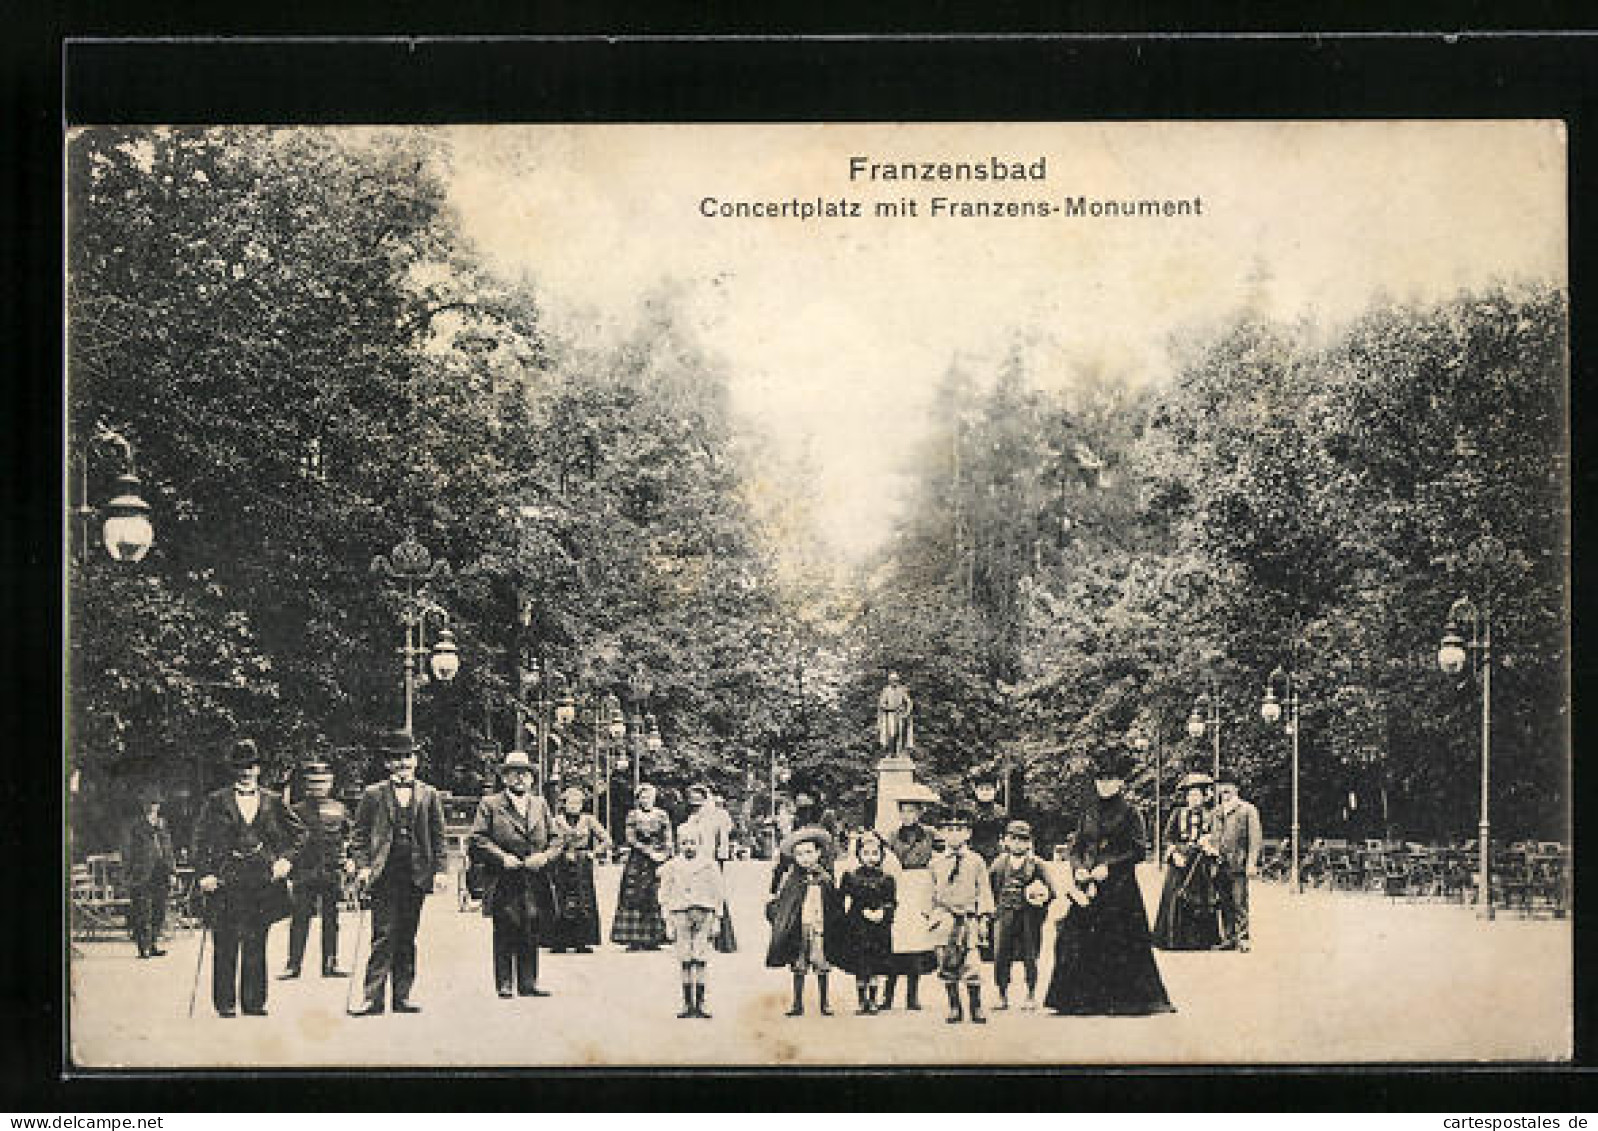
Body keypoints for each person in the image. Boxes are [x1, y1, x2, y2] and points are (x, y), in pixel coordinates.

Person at [1043, 749, 1175, 1017]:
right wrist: (1079, 868)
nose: (1104, 785)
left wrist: (1109, 866)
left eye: (1110, 780)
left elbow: (1138, 849)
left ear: (1120, 783)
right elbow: (1077, 846)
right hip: (1087, 888)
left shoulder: (1130, 813)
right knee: (1077, 939)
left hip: (1120, 890)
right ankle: (1082, 1000)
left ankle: (1122, 1001)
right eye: (1100, 780)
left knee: (1119, 942)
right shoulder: (1088, 812)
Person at [192, 739, 306, 1018]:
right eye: (241, 767)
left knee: (256, 941)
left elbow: (300, 835)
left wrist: (286, 860)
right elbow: (199, 840)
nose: (246, 772)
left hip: (261, 882)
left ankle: (254, 1002)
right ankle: (226, 1003)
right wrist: (204, 873)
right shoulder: (216, 801)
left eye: (251, 766)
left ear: (259, 769)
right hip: (225, 881)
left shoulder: (273, 800)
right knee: (226, 941)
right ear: (234, 770)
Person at [349, 729, 449, 1016]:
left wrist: (440, 870)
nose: (403, 763)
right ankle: (373, 998)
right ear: (388, 764)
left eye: (407, 757)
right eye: (397, 759)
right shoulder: (373, 794)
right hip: (384, 874)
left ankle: (402, 996)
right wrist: (364, 866)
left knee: (407, 936)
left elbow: (438, 836)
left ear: (415, 761)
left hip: (415, 875)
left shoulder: (429, 795)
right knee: (383, 934)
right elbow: (359, 835)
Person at [469, 750, 560, 998]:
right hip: (503, 877)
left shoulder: (540, 804)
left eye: (525, 774)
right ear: (505, 777)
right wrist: (501, 858)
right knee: (506, 927)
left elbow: (556, 839)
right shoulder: (490, 804)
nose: (520, 778)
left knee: (532, 925)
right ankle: (505, 983)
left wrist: (544, 857)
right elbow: (478, 837)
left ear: (532, 778)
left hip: (534, 876)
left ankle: (529, 982)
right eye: (514, 773)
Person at [281, 761, 352, 979]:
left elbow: (349, 836)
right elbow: (288, 840)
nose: (318, 787)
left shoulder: (339, 809)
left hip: (331, 872)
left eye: (323, 782)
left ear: (330, 783)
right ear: (306, 786)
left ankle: (330, 963)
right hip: (305, 872)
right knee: (300, 918)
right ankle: (293, 965)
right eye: (313, 783)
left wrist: (349, 860)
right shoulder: (296, 810)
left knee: (332, 920)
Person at [765, 826, 844, 1017]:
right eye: (799, 854)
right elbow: (780, 902)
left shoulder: (825, 877)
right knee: (798, 964)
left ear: (818, 853)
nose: (805, 858)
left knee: (821, 962)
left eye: (809, 852)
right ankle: (797, 1003)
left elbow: (834, 903)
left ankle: (824, 1002)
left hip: (820, 926)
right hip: (798, 927)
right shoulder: (791, 879)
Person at [928, 808, 996, 1024]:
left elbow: (984, 891)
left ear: (968, 834)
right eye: (949, 830)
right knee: (947, 963)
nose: (954, 834)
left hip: (968, 918)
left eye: (960, 830)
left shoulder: (976, 861)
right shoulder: (935, 863)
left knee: (972, 964)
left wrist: (984, 917)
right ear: (942, 834)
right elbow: (928, 893)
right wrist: (931, 916)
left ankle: (976, 1006)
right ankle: (954, 1006)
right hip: (945, 917)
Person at [880, 782, 939, 1011]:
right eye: (903, 811)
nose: (907, 816)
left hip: (922, 886)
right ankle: (888, 996)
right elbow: (885, 860)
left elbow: (940, 858)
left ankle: (912, 997)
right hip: (899, 885)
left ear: (920, 813)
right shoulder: (892, 836)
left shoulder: (931, 834)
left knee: (917, 941)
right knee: (896, 940)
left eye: (912, 811)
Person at [658, 825, 726, 1019]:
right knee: (685, 959)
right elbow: (664, 893)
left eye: (692, 843)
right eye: (684, 843)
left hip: (703, 913)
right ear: (679, 845)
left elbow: (718, 892)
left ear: (699, 844)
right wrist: (667, 920)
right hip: (680, 913)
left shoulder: (709, 865)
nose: (688, 847)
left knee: (701, 958)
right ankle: (687, 1003)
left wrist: (717, 918)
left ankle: (701, 1003)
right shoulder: (672, 866)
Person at [988, 819, 1056, 1010]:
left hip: (1029, 916)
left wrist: (1038, 900)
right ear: (1006, 841)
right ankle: (1001, 994)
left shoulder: (1037, 865)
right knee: (1001, 955)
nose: (1018, 844)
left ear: (1029, 842)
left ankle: (1031, 994)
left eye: (1023, 840)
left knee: (1030, 954)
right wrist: (993, 911)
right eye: (1014, 839)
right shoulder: (999, 864)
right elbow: (990, 889)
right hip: (1004, 914)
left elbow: (1052, 892)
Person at [1151, 775, 1222, 952]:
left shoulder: (1210, 815)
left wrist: (1209, 844)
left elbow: (1217, 837)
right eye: (1191, 795)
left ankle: (1201, 941)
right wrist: (1174, 853)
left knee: (1201, 898)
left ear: (1204, 796)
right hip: (1180, 862)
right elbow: (1167, 838)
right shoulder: (1177, 814)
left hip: (1199, 863)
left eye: (1198, 795)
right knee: (1176, 896)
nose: (1194, 799)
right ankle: (1173, 940)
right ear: (1186, 797)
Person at [836, 829, 896, 1014]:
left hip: (878, 927)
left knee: (876, 963)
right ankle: (862, 1000)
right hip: (858, 926)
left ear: (881, 855)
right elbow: (841, 899)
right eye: (866, 853)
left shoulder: (887, 879)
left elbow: (892, 902)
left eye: (875, 853)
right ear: (859, 854)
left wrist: (883, 912)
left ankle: (873, 999)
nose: (871, 857)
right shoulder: (851, 877)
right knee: (861, 964)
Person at [546, 785, 610, 954]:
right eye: (570, 802)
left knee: (584, 900)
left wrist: (593, 853)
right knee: (560, 899)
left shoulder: (589, 820)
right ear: (564, 804)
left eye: (578, 802)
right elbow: (547, 840)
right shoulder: (555, 821)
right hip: (561, 863)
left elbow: (607, 840)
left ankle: (582, 941)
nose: (574, 805)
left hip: (582, 864)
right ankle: (559, 942)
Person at [611, 782, 673, 951]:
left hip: (657, 860)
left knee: (654, 896)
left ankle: (654, 938)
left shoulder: (662, 815)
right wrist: (648, 851)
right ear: (638, 799)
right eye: (643, 797)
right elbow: (630, 838)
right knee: (634, 895)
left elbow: (668, 837)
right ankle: (634, 939)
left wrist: (664, 854)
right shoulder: (633, 815)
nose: (647, 800)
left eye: (650, 797)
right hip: (638, 861)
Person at [682, 783, 737, 953]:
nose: (697, 805)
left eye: (700, 800)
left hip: (712, 859)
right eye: (693, 802)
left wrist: (720, 857)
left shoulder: (719, 815)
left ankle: (724, 940)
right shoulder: (692, 818)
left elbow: (724, 837)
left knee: (717, 896)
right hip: (696, 860)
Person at [1213, 778, 1264, 952]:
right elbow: (1214, 837)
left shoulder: (1248, 810)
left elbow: (1255, 839)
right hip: (1219, 865)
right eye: (1221, 789)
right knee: (1224, 902)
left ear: (1236, 789)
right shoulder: (1217, 812)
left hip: (1239, 863)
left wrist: (1251, 863)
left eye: (1228, 789)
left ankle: (1243, 938)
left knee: (1239, 901)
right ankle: (1229, 938)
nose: (1224, 792)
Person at [123, 790, 175, 960]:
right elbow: (127, 851)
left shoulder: (162, 824)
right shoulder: (136, 826)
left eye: (155, 804)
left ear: (159, 806)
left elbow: (168, 850)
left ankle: (152, 944)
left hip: (161, 873)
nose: (152, 807)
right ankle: (142, 947)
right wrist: (129, 873)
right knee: (143, 911)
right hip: (142, 874)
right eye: (149, 804)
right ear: (143, 806)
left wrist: (172, 871)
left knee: (159, 910)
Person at [969, 771, 1009, 864]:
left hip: (995, 854)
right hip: (972, 853)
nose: (985, 792)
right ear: (976, 790)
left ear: (995, 790)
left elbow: (1005, 835)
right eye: (981, 789)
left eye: (988, 789)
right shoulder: (969, 811)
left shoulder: (1001, 812)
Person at [876, 671, 915, 753]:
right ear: (889, 681)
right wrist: (890, 708)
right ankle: (891, 750)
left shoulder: (902, 689)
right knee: (891, 733)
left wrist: (907, 712)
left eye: (896, 680)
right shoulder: (886, 690)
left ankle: (899, 751)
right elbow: (881, 704)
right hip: (890, 713)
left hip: (900, 714)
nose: (894, 682)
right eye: (892, 680)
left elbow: (909, 702)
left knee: (900, 732)